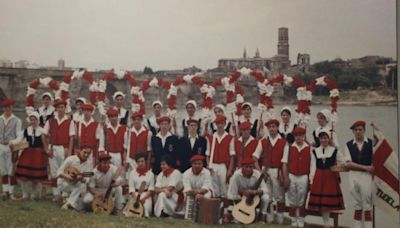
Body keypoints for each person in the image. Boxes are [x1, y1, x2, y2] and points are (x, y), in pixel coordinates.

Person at [308, 130, 345, 228]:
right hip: (319, 177)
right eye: (321, 138)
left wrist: (337, 169)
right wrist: (311, 180)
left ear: (329, 139)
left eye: (325, 138)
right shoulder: (315, 151)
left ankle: (327, 224)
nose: (323, 140)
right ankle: (326, 223)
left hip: (330, 178)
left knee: (328, 201)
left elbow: (344, 161)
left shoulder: (334, 150)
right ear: (319, 139)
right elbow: (313, 166)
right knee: (322, 201)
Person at [253, 118, 287, 224]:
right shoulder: (262, 141)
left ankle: (280, 218)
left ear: (277, 127)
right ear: (267, 128)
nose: (272, 129)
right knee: (267, 195)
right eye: (270, 127)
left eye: (274, 126)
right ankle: (269, 217)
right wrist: (260, 172)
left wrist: (284, 175)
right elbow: (254, 158)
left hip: (278, 171)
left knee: (280, 196)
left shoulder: (283, 142)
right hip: (265, 171)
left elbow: (285, 161)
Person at [343, 120, 375, 228]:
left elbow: (377, 160)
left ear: (364, 130)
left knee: (367, 204)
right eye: (355, 130)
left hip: (366, 177)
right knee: (357, 204)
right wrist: (365, 167)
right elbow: (348, 164)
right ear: (353, 132)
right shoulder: (348, 144)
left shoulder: (371, 143)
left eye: (360, 129)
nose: (358, 132)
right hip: (353, 175)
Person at [43, 99, 75, 202]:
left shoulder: (70, 121)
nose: (60, 109)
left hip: (64, 148)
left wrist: (69, 152)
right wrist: (47, 149)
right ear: (55, 109)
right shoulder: (51, 121)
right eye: (58, 107)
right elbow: (43, 135)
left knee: (65, 171)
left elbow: (71, 138)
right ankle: (56, 193)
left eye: (62, 107)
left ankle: (65, 194)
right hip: (53, 148)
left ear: (65, 109)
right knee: (54, 172)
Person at [12, 112, 48, 200]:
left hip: (38, 155)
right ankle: (25, 194)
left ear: (38, 120)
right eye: (31, 120)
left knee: (35, 177)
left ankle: (33, 195)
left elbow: (46, 143)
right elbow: (19, 140)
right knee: (24, 175)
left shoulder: (42, 131)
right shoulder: (26, 130)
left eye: (34, 119)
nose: (33, 121)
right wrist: (12, 143)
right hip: (27, 154)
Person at [282, 127, 311, 228]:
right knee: (292, 197)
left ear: (304, 136)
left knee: (302, 198)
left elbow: (312, 165)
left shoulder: (309, 148)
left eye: (301, 135)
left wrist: (310, 178)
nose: (299, 137)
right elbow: (284, 163)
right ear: (294, 136)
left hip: (304, 176)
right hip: (292, 175)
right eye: (297, 135)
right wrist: (286, 177)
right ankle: (293, 219)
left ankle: (301, 219)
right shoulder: (289, 147)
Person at [227, 157, 269, 222]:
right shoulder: (236, 175)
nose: (249, 169)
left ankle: (262, 216)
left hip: (254, 199)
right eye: (246, 167)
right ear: (242, 167)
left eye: (251, 167)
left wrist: (255, 192)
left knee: (266, 197)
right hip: (241, 200)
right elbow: (231, 194)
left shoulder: (257, 174)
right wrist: (242, 195)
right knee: (237, 219)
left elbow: (266, 189)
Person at [206, 114, 235, 198]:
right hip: (213, 165)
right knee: (214, 187)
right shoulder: (211, 137)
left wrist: (229, 170)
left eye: (222, 123)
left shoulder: (230, 137)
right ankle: (215, 207)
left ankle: (224, 207)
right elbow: (207, 154)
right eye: (218, 123)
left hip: (223, 165)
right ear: (216, 124)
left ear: (225, 124)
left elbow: (232, 156)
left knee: (224, 186)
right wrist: (208, 165)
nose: (220, 125)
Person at [57, 145, 93, 210]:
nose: (86, 155)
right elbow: (58, 172)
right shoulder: (71, 159)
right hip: (64, 183)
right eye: (84, 152)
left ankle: (67, 203)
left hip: (75, 184)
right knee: (80, 190)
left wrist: (82, 179)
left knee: (80, 206)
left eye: (88, 153)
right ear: (80, 151)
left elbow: (87, 180)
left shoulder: (89, 163)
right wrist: (67, 176)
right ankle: (67, 199)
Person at [0, 99, 22, 200]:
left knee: (11, 170)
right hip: (0, 146)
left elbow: (19, 136)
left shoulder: (17, 120)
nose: (7, 109)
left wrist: (12, 143)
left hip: (10, 147)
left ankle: (11, 192)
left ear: (12, 107)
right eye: (5, 107)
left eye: (9, 107)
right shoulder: (0, 119)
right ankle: (5, 191)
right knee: (3, 170)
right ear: (3, 108)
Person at [182, 155, 213, 219]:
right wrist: (196, 193)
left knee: (207, 195)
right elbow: (188, 190)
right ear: (191, 164)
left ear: (203, 164)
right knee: (187, 196)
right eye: (195, 164)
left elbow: (206, 188)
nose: (197, 166)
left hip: (203, 192)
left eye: (199, 164)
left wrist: (199, 194)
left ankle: (204, 216)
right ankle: (188, 216)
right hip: (191, 193)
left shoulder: (207, 172)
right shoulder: (186, 173)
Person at [126, 152, 155, 217]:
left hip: (146, 196)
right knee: (132, 209)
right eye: (138, 161)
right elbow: (131, 188)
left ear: (146, 162)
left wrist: (143, 199)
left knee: (146, 209)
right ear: (136, 163)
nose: (140, 163)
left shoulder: (151, 174)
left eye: (142, 161)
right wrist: (137, 198)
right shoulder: (132, 173)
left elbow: (151, 189)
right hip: (135, 195)